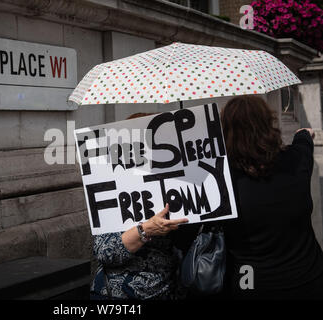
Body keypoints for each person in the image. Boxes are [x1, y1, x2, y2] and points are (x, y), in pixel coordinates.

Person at [221, 95, 323, 299]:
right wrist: (304, 133)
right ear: (268, 124)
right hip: (308, 278)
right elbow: (304, 136)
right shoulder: (296, 159)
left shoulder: (220, 179)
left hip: (250, 283)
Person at [90, 112, 197, 300]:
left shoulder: (173, 186)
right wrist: (146, 229)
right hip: (118, 297)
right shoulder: (111, 189)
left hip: (167, 291)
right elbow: (104, 252)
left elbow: (186, 244)